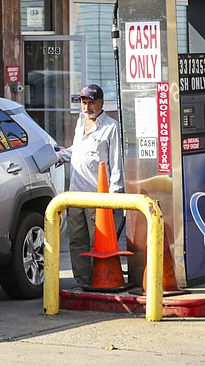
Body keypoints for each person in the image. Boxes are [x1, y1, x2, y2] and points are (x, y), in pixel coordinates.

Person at [57, 83, 123, 287]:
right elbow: (77, 151)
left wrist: (114, 196)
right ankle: (82, 282)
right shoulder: (80, 122)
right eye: (84, 103)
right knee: (77, 241)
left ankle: (101, 282)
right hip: (76, 195)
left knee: (99, 243)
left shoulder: (111, 127)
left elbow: (117, 163)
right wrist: (56, 156)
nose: (87, 107)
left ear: (101, 103)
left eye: (91, 103)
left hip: (97, 197)